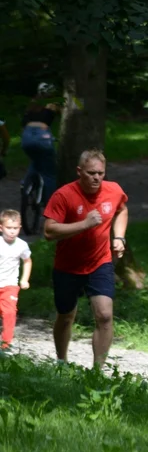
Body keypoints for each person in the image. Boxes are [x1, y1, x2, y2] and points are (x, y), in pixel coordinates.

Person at [43, 149, 128, 368]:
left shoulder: (114, 190)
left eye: (100, 173)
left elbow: (122, 210)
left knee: (105, 316)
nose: (96, 178)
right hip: (67, 266)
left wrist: (119, 237)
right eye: (91, 173)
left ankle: (97, 372)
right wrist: (84, 224)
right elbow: (49, 231)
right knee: (65, 316)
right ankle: (61, 362)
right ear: (79, 171)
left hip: (100, 263)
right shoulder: (64, 195)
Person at [21, 83, 60, 203]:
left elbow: (23, 124)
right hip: (43, 136)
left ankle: (25, 184)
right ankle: (50, 203)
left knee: (35, 161)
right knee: (50, 173)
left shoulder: (32, 105)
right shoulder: (52, 105)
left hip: (27, 136)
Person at [0, 209, 32, 350]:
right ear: (1, 228)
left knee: (9, 313)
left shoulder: (21, 245)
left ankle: (6, 345)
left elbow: (27, 261)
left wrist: (24, 279)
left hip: (10, 285)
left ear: (20, 228)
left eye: (15, 228)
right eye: (9, 228)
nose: (12, 231)